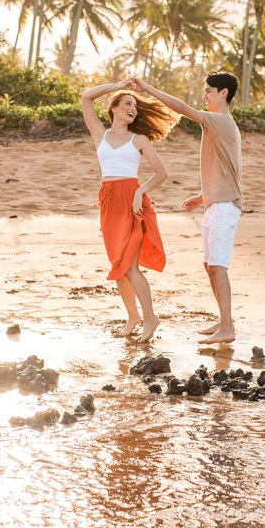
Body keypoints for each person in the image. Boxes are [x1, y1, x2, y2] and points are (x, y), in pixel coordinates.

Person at [127, 73, 242, 344]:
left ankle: (227, 328)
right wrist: (202, 197)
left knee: (217, 265)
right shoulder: (218, 125)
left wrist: (147, 87)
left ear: (223, 93)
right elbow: (226, 169)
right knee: (209, 264)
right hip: (217, 203)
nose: (204, 96)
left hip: (226, 206)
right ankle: (225, 321)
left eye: (208, 91)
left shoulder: (221, 120)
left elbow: (181, 109)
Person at [80, 80, 181, 342]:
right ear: (113, 108)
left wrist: (139, 191)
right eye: (127, 103)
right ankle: (133, 316)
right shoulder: (99, 134)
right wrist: (118, 85)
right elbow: (86, 97)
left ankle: (150, 319)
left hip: (132, 201)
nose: (133, 108)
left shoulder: (139, 139)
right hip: (109, 201)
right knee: (119, 265)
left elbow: (161, 173)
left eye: (135, 105)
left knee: (131, 266)